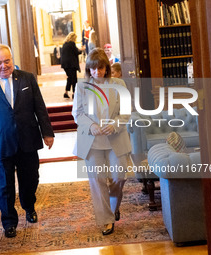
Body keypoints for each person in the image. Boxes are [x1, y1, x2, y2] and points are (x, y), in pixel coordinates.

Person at [0, 44, 55, 238]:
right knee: (4, 185)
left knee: (30, 179)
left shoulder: (27, 78)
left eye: (7, 61)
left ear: (12, 59)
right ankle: (9, 222)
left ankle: (29, 207)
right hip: (0, 143)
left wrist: (47, 132)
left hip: (27, 139)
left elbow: (40, 107)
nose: (4, 66)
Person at [72, 48, 131, 235]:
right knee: (98, 181)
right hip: (92, 141)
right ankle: (106, 219)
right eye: (93, 69)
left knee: (118, 178)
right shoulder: (82, 87)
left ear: (106, 67)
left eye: (101, 68)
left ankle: (113, 207)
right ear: (88, 70)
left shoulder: (119, 84)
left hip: (115, 138)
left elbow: (126, 112)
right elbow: (78, 113)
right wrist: (91, 126)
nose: (97, 72)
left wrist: (114, 125)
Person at [61, 32, 84, 99]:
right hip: (71, 64)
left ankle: (66, 92)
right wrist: (82, 50)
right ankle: (74, 93)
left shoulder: (65, 44)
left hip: (65, 65)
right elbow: (76, 52)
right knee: (74, 79)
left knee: (70, 78)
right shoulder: (72, 44)